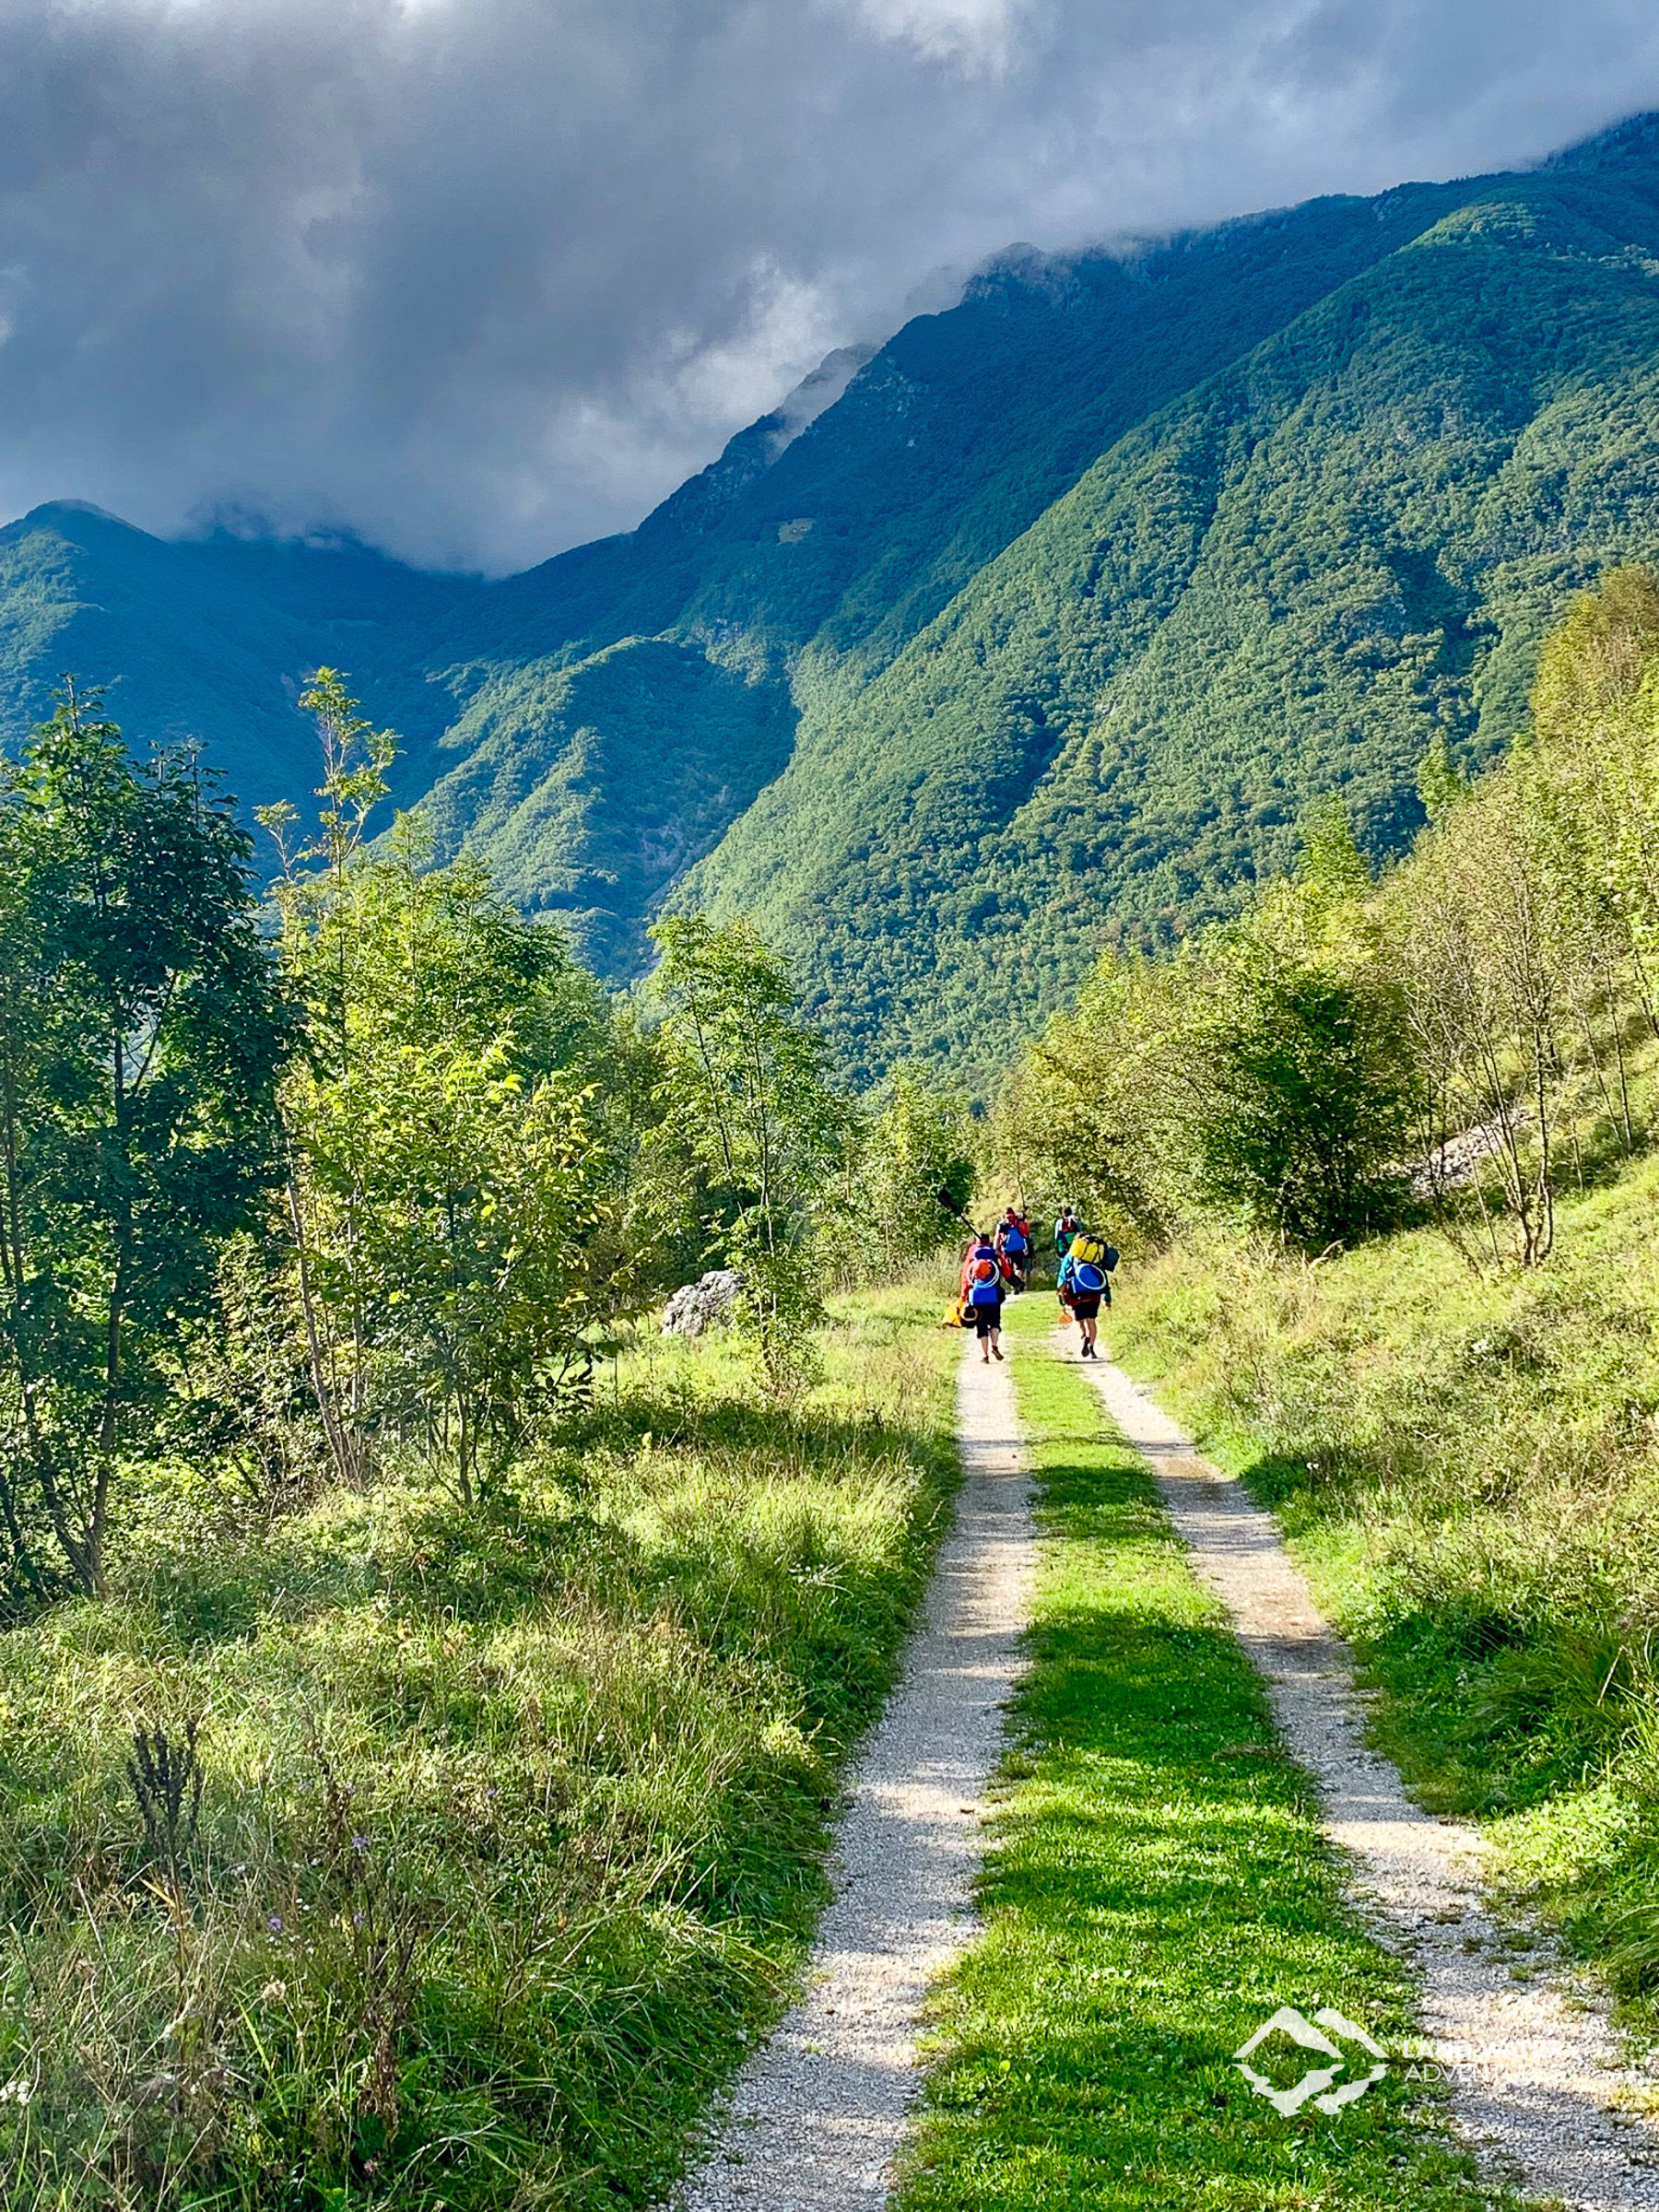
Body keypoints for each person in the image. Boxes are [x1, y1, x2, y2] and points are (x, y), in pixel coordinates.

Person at [1056, 1230, 1113, 1359]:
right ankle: (1092, 1346)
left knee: (1079, 1320)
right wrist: (1107, 1299)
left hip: (1077, 1294)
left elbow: (1063, 1275)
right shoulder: (1094, 1257)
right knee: (1091, 1321)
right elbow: (1103, 1278)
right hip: (1094, 1294)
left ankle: (1084, 1335)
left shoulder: (1071, 1255)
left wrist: (1061, 1297)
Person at [959, 1230, 1006, 1363]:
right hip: (993, 1296)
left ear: (977, 1241)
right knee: (995, 1323)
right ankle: (995, 1346)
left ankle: (985, 1356)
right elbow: (1005, 1271)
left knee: (982, 1327)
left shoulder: (973, 1258)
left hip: (977, 1297)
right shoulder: (993, 1256)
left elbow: (966, 1278)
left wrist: (964, 1295)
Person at [994, 1206, 1031, 1290]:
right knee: (1019, 1267)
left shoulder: (1002, 1224)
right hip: (1019, 1247)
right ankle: (1019, 1283)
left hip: (1007, 1249)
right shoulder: (1017, 1221)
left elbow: (997, 1237)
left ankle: (1015, 1286)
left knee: (1009, 1268)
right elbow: (1025, 1233)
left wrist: (996, 1249)